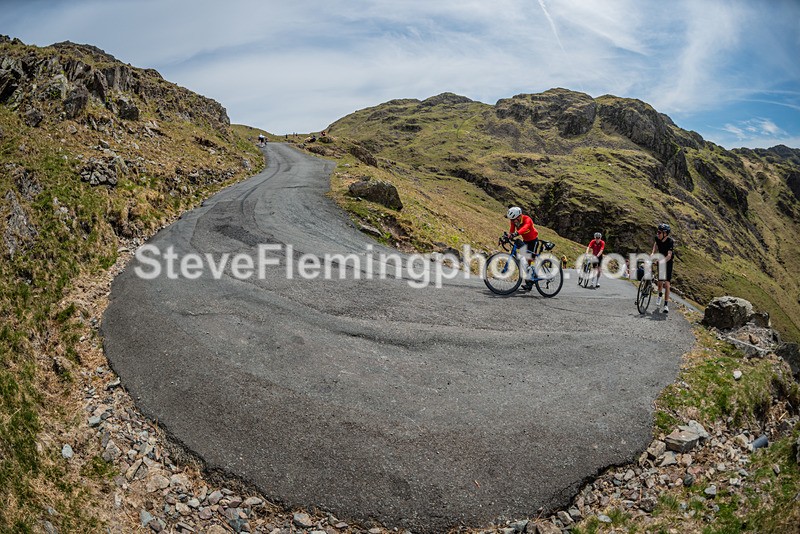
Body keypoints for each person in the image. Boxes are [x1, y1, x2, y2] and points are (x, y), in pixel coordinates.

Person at [505, 206, 539, 291]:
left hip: (533, 241)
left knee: (531, 259)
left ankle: (535, 273)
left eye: (514, 219)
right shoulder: (514, 221)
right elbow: (511, 230)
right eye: (511, 220)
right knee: (524, 260)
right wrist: (509, 236)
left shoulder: (527, 219)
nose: (513, 221)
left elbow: (525, 228)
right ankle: (529, 282)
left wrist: (516, 234)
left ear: (519, 216)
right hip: (526, 241)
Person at [652, 223, 674, 313]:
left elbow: (669, 256)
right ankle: (660, 295)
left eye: (659, 232)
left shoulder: (670, 241)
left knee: (667, 284)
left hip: (668, 262)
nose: (658, 234)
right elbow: (655, 244)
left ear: (665, 233)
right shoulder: (657, 238)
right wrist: (653, 253)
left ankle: (666, 305)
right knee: (660, 283)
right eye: (657, 232)